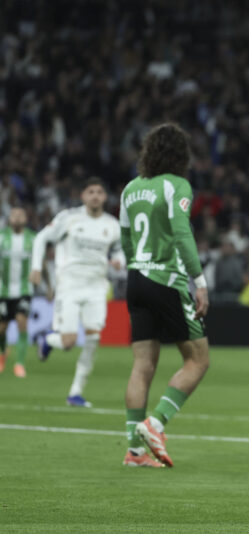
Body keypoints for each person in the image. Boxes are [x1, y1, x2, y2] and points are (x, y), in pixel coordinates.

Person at [119, 123, 210, 468]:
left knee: (142, 365)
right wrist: (199, 281)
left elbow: (125, 237)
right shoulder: (177, 185)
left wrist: (137, 266)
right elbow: (181, 233)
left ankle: (135, 452)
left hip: (135, 278)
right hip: (165, 279)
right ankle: (154, 425)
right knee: (198, 360)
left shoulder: (131, 189)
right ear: (180, 156)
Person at [31, 179, 124, 406]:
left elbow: (120, 250)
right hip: (70, 285)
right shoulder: (69, 218)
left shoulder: (112, 225)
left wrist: (118, 261)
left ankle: (75, 392)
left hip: (97, 287)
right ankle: (47, 340)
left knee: (93, 338)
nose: (95, 196)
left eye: (99, 192)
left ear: (105, 197)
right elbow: (42, 237)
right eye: (90, 191)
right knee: (69, 341)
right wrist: (35, 267)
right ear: (83, 195)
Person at [0, 208, 36, 378]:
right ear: (9, 219)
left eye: (20, 215)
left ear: (25, 219)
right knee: (1, 328)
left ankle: (20, 363)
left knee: (22, 322)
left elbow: (40, 261)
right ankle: (2, 355)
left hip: (24, 289)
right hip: (3, 290)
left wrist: (49, 285)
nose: (16, 218)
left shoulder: (33, 238)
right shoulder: (1, 236)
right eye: (13, 215)